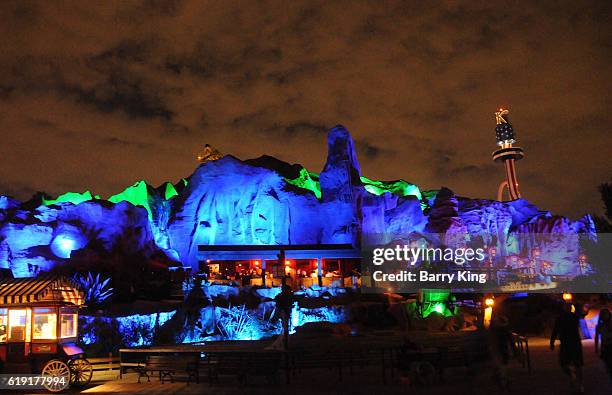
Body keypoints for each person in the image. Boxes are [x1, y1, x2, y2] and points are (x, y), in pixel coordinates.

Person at [550, 303, 585, 393]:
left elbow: (555, 330)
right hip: (569, 343)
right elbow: (555, 329)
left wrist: (552, 342)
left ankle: (579, 383)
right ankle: (575, 378)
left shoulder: (572, 316)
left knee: (575, 364)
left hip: (572, 343)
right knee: (567, 363)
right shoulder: (564, 317)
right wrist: (552, 341)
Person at [595, 308, 612, 379]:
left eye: (606, 314)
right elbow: (596, 337)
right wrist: (596, 348)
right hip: (605, 347)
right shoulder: (600, 325)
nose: (604, 316)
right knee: (608, 366)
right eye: (603, 314)